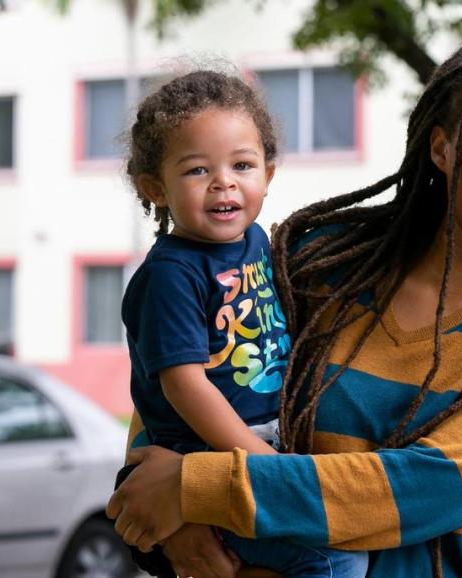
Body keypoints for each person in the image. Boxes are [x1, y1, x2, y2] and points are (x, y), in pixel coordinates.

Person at [108, 34, 462, 578]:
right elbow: (177, 395)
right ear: (443, 149)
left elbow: (426, 489)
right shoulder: (318, 266)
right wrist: (172, 520)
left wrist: (196, 489)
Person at [118, 69, 368, 578]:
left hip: (260, 446)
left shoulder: (255, 241)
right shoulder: (171, 275)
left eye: (242, 164)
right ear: (155, 187)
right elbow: (186, 386)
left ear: (268, 175)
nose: (223, 182)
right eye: (196, 171)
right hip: (207, 458)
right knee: (334, 560)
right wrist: (260, 461)